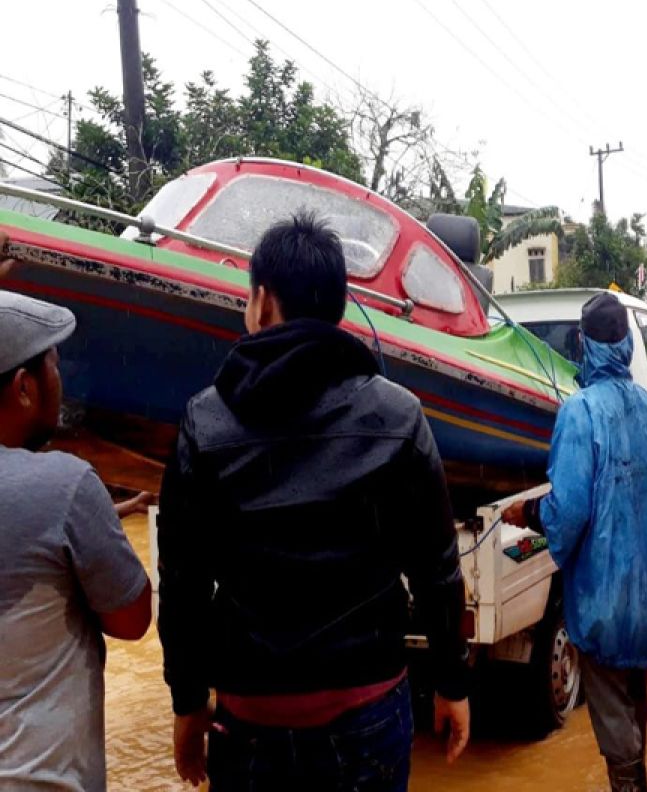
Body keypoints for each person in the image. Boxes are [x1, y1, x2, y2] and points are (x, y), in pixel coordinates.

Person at [157, 212, 469, 791]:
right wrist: (452, 683)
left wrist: (187, 701)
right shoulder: (399, 416)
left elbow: (183, 585)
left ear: (261, 302)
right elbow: (437, 570)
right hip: (367, 709)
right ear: (341, 310)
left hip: (249, 718)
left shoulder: (203, 420)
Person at [503, 292, 647, 792]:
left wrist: (529, 511)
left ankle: (629, 786)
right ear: (627, 345)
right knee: (636, 703)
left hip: (605, 601)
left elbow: (569, 512)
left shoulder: (578, 413)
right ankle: (639, 778)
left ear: (581, 343)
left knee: (611, 716)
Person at [0, 290, 152, 791]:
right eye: (55, 367)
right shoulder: (65, 485)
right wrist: (90, 530)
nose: (61, 384)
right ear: (25, 388)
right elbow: (132, 620)